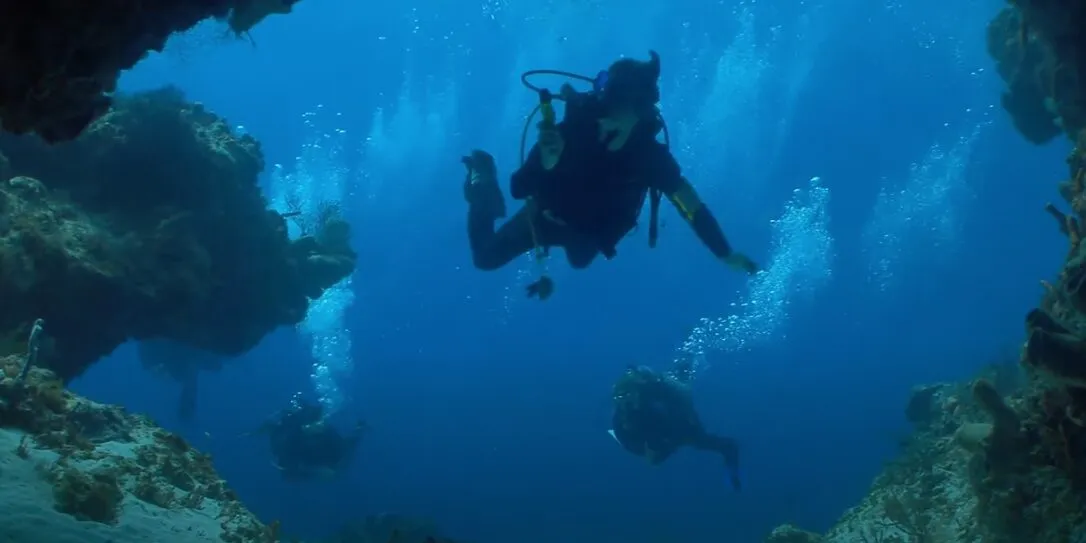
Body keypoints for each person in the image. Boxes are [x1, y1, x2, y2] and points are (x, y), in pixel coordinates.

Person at [462, 50, 759, 299]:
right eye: (605, 105)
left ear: (640, 112)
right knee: (485, 258)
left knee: (580, 260)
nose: (603, 123)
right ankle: (483, 183)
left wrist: (724, 252)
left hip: (590, 232)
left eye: (619, 109)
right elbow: (518, 188)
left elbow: (692, 208)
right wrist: (546, 162)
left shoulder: (650, 158)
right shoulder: (573, 129)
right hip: (545, 215)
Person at [608, 364, 742, 490]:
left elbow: (684, 403)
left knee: (715, 442)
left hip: (671, 424)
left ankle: (687, 360)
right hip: (662, 429)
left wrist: (691, 422)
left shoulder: (664, 410)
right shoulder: (630, 421)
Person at [250, 397, 367, 481]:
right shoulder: (290, 437)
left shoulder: (327, 433)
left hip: (322, 457)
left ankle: (360, 430)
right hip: (301, 459)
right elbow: (288, 472)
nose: (319, 425)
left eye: (321, 422)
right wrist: (315, 472)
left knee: (349, 444)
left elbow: (342, 448)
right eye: (314, 423)